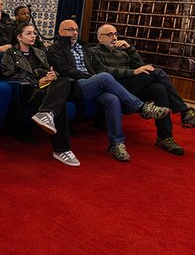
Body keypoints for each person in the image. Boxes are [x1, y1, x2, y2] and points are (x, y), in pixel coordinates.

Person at [47, 19, 171, 161]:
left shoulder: (84, 47)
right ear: (60, 32)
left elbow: (99, 68)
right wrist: (92, 77)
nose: (74, 32)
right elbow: (64, 69)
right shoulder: (55, 48)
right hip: (73, 86)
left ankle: (116, 144)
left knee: (113, 98)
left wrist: (97, 76)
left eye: (76, 29)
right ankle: (141, 107)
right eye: (70, 30)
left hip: (93, 84)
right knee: (104, 77)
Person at [91, 23, 195, 155]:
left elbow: (141, 66)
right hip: (116, 87)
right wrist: (133, 72)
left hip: (132, 86)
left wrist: (130, 49)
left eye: (115, 34)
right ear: (100, 38)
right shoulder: (94, 52)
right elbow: (103, 72)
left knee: (159, 89)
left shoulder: (122, 51)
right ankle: (185, 112)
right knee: (158, 72)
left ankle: (165, 138)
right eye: (109, 34)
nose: (114, 37)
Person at [1, 22, 80, 166]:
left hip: (46, 90)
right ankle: (62, 149)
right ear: (19, 37)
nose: (33, 36)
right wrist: (37, 82)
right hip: (29, 92)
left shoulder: (39, 52)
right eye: (29, 33)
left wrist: (52, 75)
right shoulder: (10, 54)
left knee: (63, 81)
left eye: (34, 33)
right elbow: (9, 76)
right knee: (59, 101)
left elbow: (50, 70)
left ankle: (46, 114)